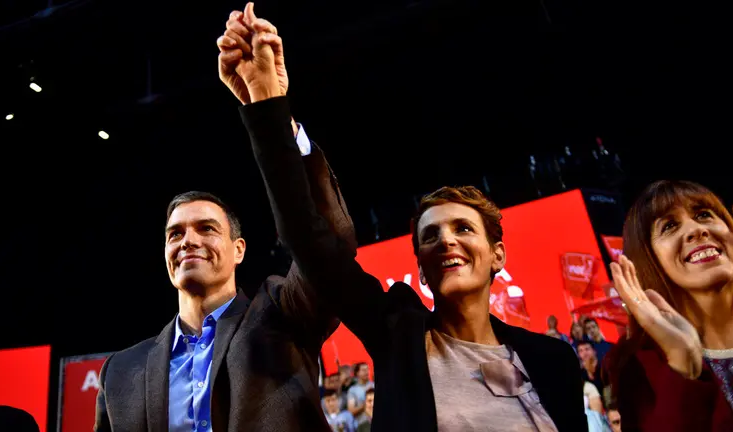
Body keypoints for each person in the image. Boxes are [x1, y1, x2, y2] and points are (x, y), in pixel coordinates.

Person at [233, 6, 587, 430]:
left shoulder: (553, 361)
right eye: (430, 235)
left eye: (463, 228)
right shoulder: (397, 334)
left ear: (498, 254)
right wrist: (270, 105)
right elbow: (308, 238)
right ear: (420, 267)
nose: (447, 240)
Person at [93, 6, 357, 431]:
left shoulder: (285, 318)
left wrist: (271, 110)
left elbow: (327, 246)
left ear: (239, 250)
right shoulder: (120, 372)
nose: (188, 240)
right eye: (175, 233)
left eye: (206, 228)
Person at [608, 180, 733, 431]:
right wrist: (682, 365)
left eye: (703, 215)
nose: (696, 230)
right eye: (669, 226)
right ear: (649, 258)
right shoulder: (638, 368)